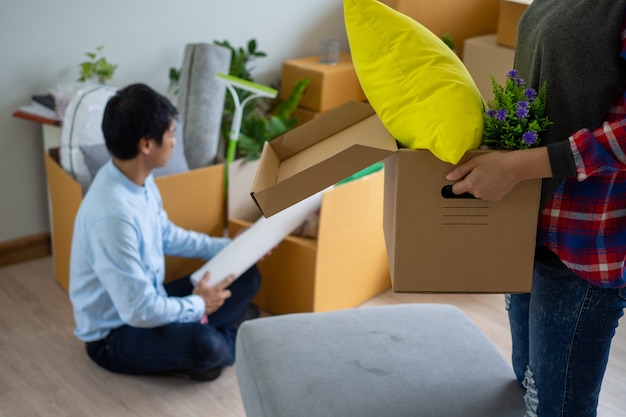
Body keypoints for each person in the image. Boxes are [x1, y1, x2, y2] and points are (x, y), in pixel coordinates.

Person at [446, 1, 626, 415]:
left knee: (555, 407)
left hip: (586, 243)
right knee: (527, 379)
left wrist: (519, 167)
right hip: (528, 222)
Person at [68, 83, 261, 382]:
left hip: (150, 299)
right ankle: (216, 338)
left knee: (247, 272)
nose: (173, 142)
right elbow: (139, 311)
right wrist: (198, 304)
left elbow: (167, 234)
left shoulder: (136, 178)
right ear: (146, 144)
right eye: (171, 134)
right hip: (117, 333)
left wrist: (229, 246)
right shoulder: (112, 216)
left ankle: (209, 337)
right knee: (205, 347)